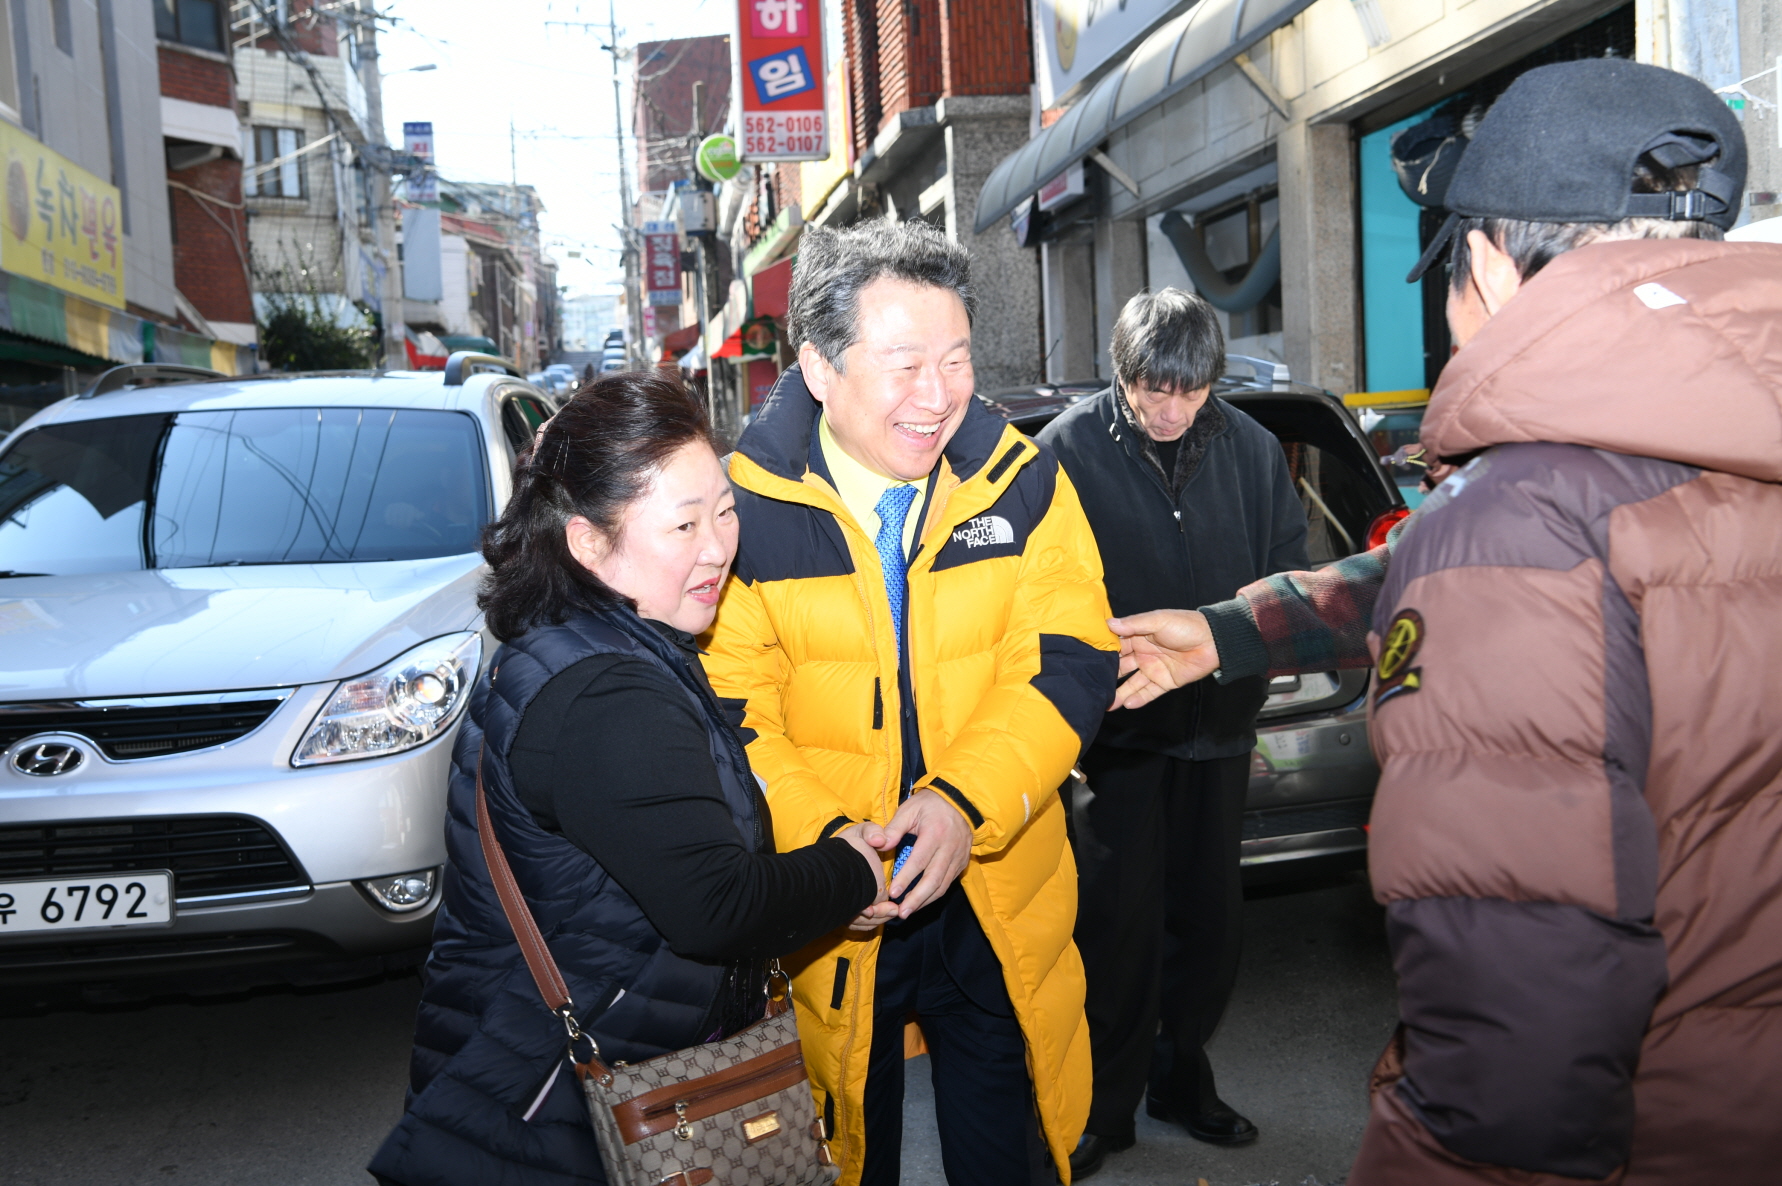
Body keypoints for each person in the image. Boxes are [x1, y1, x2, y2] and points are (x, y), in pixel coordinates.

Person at [1110, 59, 1782, 1185]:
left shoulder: (1519, 517)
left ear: (1484, 261)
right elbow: (1528, 577)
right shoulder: (1710, 451)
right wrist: (1233, 629)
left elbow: (1514, 1045)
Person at [370, 373, 891, 1186]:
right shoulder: (606, 696)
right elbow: (715, 908)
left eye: (723, 510)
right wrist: (854, 869)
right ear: (587, 542)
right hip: (560, 1120)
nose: (718, 545)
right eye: (682, 524)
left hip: (554, 1075)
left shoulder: (582, 640)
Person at [701, 220, 1119, 1186]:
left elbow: (1068, 663)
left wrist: (962, 805)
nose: (937, 397)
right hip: (829, 910)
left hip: (998, 884)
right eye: (902, 366)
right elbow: (733, 714)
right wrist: (837, 843)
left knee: (1008, 1148)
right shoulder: (743, 511)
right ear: (817, 366)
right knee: (844, 1149)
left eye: (956, 359)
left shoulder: (1022, 484)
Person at [1035, 289, 1308, 1175]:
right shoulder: (1066, 451)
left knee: (1210, 925)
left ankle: (1183, 1082)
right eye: (1153, 389)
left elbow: (1287, 574)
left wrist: (1255, 663)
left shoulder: (1255, 450)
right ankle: (1105, 1107)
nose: (1170, 409)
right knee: (1118, 929)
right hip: (1118, 740)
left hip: (1221, 730)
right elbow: (1030, 591)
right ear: (1121, 375)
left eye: (1188, 393)